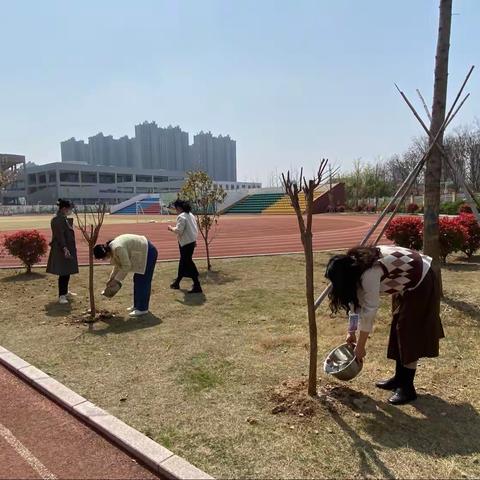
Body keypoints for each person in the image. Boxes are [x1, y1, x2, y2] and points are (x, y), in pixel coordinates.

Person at [325, 245, 444, 405]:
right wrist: (351, 331)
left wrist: (360, 346)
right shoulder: (355, 267)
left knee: (409, 332)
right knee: (399, 329)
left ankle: (407, 388)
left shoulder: (369, 272)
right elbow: (355, 302)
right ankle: (398, 379)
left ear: (346, 276)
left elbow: (369, 311)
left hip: (421, 278)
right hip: (404, 282)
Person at [93, 234, 158, 317]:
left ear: (106, 253)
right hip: (142, 252)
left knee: (142, 281)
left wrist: (116, 280)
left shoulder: (117, 248)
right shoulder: (112, 248)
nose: (103, 260)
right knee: (137, 279)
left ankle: (143, 309)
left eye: (103, 258)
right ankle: (137, 305)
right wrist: (111, 279)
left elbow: (126, 266)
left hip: (148, 252)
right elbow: (118, 265)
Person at [46, 199, 79, 304]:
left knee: (67, 271)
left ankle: (65, 291)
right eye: (69, 208)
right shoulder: (57, 220)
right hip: (62, 249)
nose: (70, 210)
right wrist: (65, 248)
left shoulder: (63, 218)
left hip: (66, 248)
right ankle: (62, 295)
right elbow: (60, 236)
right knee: (63, 272)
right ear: (64, 208)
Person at [168, 199, 202, 294]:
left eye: (176, 208)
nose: (176, 210)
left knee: (187, 262)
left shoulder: (181, 217)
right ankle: (177, 282)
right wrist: (194, 240)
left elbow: (179, 230)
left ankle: (197, 284)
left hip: (185, 243)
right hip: (190, 241)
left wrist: (171, 228)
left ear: (179, 208)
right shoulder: (190, 215)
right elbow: (195, 229)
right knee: (183, 262)